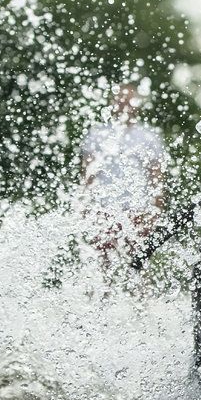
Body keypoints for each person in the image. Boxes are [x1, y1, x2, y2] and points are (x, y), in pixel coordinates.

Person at [81, 83, 168, 270]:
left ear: (136, 105)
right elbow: (87, 176)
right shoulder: (97, 135)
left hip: (137, 209)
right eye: (120, 100)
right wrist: (86, 206)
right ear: (112, 103)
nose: (124, 104)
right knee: (101, 261)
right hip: (104, 208)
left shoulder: (148, 137)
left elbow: (156, 179)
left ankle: (141, 297)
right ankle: (100, 297)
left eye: (128, 101)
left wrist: (155, 212)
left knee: (138, 261)